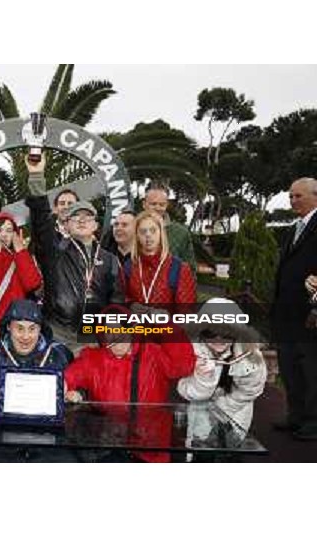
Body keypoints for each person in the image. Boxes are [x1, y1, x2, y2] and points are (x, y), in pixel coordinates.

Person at [65, 305, 196, 462]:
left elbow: (183, 364)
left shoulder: (153, 353)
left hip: (152, 450)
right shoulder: (93, 359)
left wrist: (165, 324)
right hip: (108, 450)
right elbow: (68, 378)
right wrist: (68, 391)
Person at [25, 153, 124, 353]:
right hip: (58, 333)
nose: (81, 220)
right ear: (66, 224)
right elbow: (41, 218)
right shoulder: (54, 251)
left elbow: (117, 300)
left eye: (87, 217)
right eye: (74, 217)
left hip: (93, 337)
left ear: (95, 224)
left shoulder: (110, 259)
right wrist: (36, 176)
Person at [0, 299, 73, 462]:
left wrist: (74, 394)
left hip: (47, 439)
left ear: (40, 329)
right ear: (8, 327)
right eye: (19, 328)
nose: (26, 336)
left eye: (32, 329)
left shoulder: (59, 354)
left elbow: (78, 400)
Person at [177, 298, 267, 439]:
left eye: (226, 334)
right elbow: (185, 390)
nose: (219, 340)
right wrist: (203, 379)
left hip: (236, 409)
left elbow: (251, 389)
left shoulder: (250, 354)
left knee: (230, 452)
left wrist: (221, 409)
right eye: (211, 334)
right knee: (200, 452)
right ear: (201, 332)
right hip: (199, 411)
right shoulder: (190, 350)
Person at [271, 177, 317, 440]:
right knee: (289, 368)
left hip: (310, 314)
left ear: (315, 195)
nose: (292, 201)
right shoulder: (293, 228)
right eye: (290, 196)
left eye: (298, 196)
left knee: (311, 370)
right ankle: (296, 416)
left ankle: (313, 422)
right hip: (287, 314)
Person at [0, 212, 42, 345]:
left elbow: (32, 284)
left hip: (17, 329)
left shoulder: (20, 257)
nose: (4, 234)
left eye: (9, 230)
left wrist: (20, 250)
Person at [125, 211, 196, 313]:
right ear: (137, 236)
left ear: (161, 234)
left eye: (153, 230)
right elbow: (121, 298)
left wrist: (168, 316)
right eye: (143, 231)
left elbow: (186, 312)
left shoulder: (179, 268)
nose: (148, 235)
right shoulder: (129, 266)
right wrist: (131, 305)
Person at [143, 184, 197, 274]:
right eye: (153, 204)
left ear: (167, 205)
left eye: (161, 204)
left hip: (171, 287)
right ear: (144, 204)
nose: (157, 208)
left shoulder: (181, 233)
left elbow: (190, 269)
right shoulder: (132, 229)